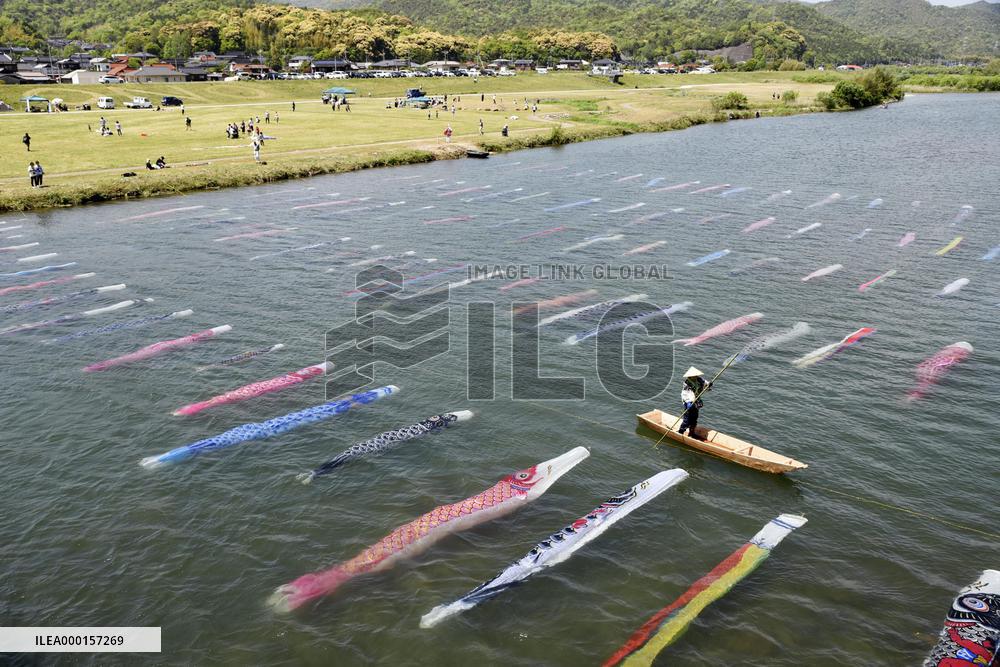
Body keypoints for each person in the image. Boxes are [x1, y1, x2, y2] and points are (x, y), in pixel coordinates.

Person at [677, 367, 711, 440]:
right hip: (688, 402)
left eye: (696, 375)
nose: (695, 376)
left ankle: (691, 433)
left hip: (696, 402)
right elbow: (685, 394)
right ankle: (680, 432)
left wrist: (709, 384)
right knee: (687, 419)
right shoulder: (687, 383)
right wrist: (689, 402)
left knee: (694, 417)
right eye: (693, 376)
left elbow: (705, 384)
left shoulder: (699, 379)